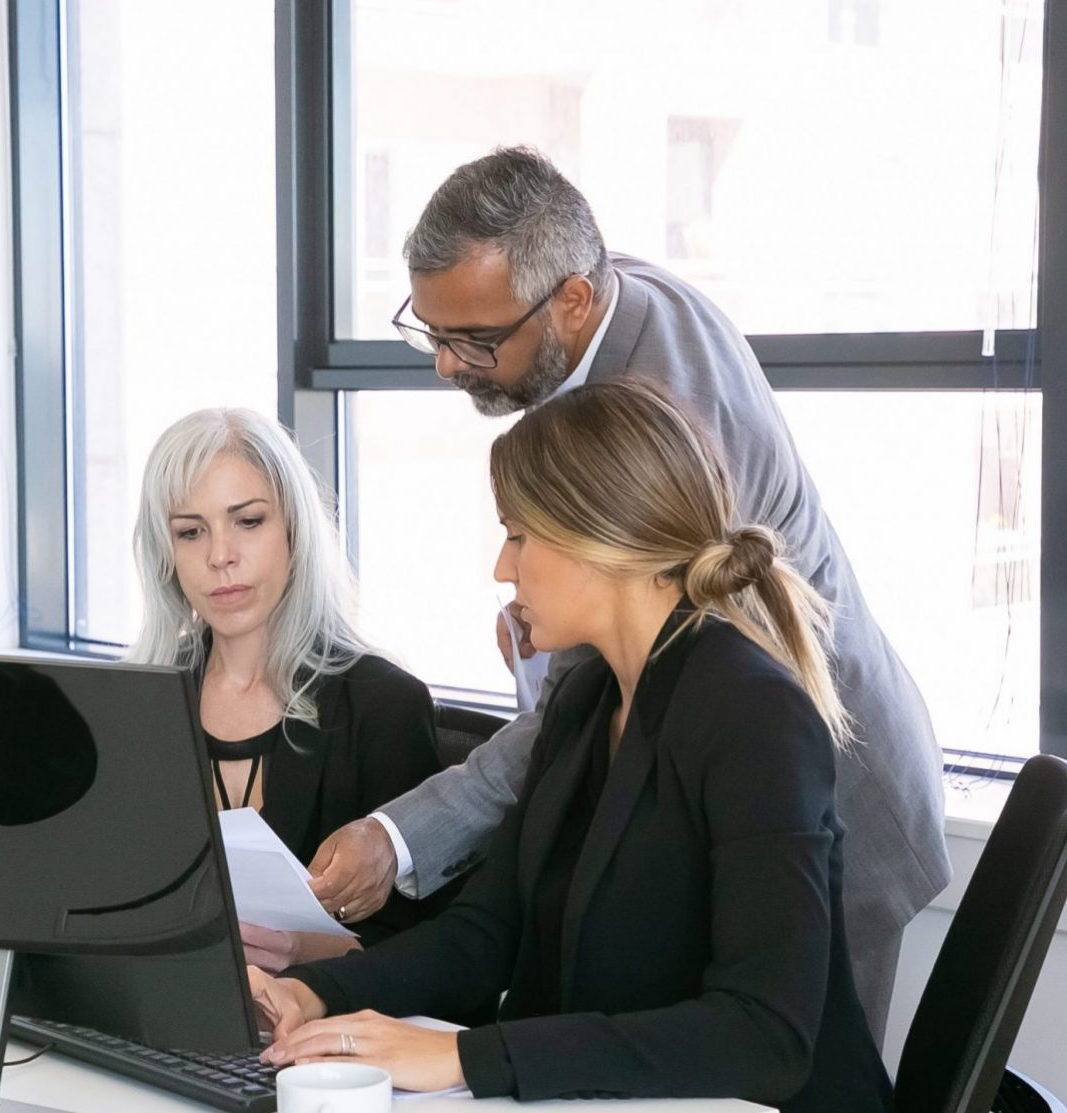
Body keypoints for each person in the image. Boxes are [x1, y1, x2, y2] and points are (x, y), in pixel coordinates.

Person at [305, 147, 948, 1041]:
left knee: (797, 1060)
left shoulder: (665, 412)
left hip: (830, 779)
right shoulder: (598, 300)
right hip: (726, 761)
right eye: (430, 329)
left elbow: (759, 1046)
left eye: (475, 340)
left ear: (572, 300)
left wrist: (402, 837)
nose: (446, 367)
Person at [251, 380, 893, 1111]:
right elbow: (484, 933)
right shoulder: (587, 700)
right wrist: (312, 990)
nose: (502, 566)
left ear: (602, 537)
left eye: (519, 534)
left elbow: (763, 1035)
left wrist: (466, 1053)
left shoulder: (754, 716)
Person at [128, 407, 445, 970]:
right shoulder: (138, 703)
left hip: (326, 1040)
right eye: (190, 531)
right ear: (166, 554)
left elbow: (438, 949)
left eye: (248, 521)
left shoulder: (382, 705)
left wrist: (307, 951)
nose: (220, 555)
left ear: (294, 531)